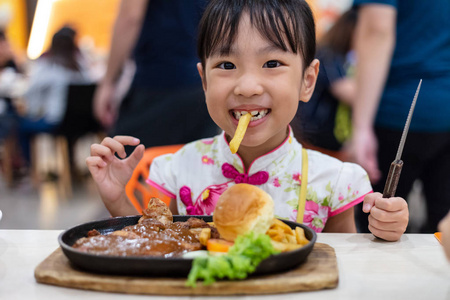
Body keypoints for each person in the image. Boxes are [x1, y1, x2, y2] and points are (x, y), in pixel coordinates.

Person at [87, 0, 409, 242]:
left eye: (272, 62)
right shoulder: (178, 169)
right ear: (204, 82)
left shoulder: (332, 180)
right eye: (226, 65)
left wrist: (384, 229)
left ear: (307, 81)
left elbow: (341, 256)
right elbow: (157, 243)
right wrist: (117, 198)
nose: (247, 87)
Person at [350, 0, 450, 233]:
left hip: (398, 111)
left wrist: (361, 127)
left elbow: (377, 30)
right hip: (442, 109)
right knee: (441, 227)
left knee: (378, 223)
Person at [93, 0, 218, 151]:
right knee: (195, 167)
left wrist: (108, 81)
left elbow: (130, 17)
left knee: (123, 162)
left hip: (158, 82)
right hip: (203, 82)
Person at [18, 26, 93, 165]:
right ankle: (71, 165)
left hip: (57, 124)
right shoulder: (81, 67)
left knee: (21, 126)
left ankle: (29, 170)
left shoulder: (47, 66)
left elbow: (30, 92)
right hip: (85, 123)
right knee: (69, 123)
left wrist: (34, 111)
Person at [292, 8, 358, 159]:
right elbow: (348, 92)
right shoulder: (328, 56)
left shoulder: (339, 57)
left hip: (318, 135)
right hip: (313, 136)